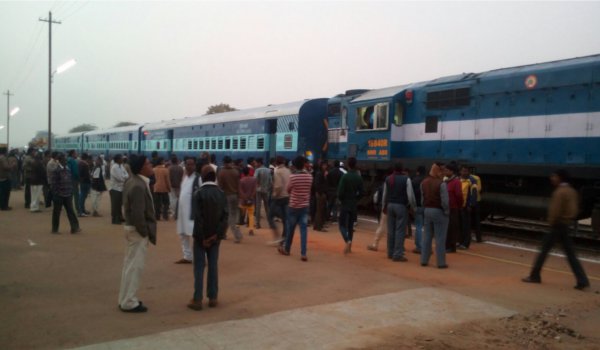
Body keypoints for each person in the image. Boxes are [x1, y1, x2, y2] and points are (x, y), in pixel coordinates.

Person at [522, 169, 590, 290]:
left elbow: (554, 211)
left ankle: (535, 276)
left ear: (560, 178)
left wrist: (551, 222)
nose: (551, 178)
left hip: (557, 226)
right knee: (571, 255)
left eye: (554, 176)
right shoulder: (572, 191)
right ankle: (582, 280)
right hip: (565, 225)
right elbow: (574, 210)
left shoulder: (560, 192)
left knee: (543, 251)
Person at [118, 154, 157, 313]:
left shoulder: (133, 181)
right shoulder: (138, 186)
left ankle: (124, 299)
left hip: (132, 230)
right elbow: (137, 214)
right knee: (135, 267)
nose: (151, 166)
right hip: (137, 231)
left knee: (129, 266)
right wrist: (145, 232)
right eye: (148, 164)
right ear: (141, 167)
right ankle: (129, 302)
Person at [187, 165, 228, 311]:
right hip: (215, 238)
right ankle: (213, 297)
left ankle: (197, 299)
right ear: (214, 177)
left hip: (200, 239)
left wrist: (202, 238)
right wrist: (216, 235)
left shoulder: (198, 194)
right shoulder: (221, 194)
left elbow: (198, 219)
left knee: (199, 268)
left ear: (202, 178)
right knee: (213, 266)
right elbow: (225, 218)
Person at [278, 156, 312, 261]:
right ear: (303, 165)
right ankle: (303, 253)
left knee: (290, 229)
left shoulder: (292, 177)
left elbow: (288, 190)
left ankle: (287, 249)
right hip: (305, 206)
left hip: (293, 206)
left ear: (294, 165)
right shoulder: (310, 177)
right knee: (303, 230)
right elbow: (309, 190)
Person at [383, 162, 416, 261]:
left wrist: (383, 206)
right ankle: (397, 254)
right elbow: (410, 196)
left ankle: (390, 252)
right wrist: (413, 207)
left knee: (391, 230)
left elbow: (385, 194)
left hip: (390, 206)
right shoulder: (406, 179)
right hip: (401, 206)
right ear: (402, 169)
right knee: (400, 231)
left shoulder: (388, 179)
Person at [420, 163, 450, 268]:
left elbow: (422, 199)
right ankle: (441, 263)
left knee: (427, 237)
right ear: (438, 171)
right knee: (440, 239)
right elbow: (445, 202)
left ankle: (424, 260)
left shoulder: (424, 182)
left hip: (427, 210)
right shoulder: (441, 184)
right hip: (439, 212)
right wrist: (447, 212)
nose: (443, 173)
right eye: (441, 171)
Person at [175, 158, 200, 264]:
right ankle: (187, 256)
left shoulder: (198, 178)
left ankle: (199, 258)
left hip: (192, 213)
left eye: (191, 164)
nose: (189, 166)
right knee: (183, 234)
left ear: (195, 165)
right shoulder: (185, 177)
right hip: (182, 213)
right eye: (187, 164)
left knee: (196, 235)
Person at [337, 157, 364, 254]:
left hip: (345, 203)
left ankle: (347, 240)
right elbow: (362, 192)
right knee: (350, 226)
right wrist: (356, 199)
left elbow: (340, 192)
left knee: (341, 225)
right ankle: (350, 247)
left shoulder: (345, 177)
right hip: (353, 204)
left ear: (348, 165)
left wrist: (341, 199)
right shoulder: (358, 177)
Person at [50, 153, 80, 234]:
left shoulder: (67, 169)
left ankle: (75, 228)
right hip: (59, 195)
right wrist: (57, 193)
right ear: (60, 160)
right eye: (64, 159)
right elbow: (53, 184)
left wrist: (70, 192)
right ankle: (55, 229)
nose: (66, 161)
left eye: (66, 159)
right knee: (56, 212)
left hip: (68, 194)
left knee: (71, 212)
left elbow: (69, 180)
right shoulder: (56, 170)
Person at [217, 156, 242, 243]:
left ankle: (237, 235)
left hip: (226, 196)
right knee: (232, 215)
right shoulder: (235, 172)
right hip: (235, 196)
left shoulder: (222, 172)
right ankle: (223, 234)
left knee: (227, 216)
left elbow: (220, 187)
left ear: (224, 162)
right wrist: (239, 196)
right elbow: (239, 185)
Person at [268, 156, 291, 245]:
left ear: (276, 163)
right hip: (287, 196)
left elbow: (278, 186)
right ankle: (284, 238)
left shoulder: (277, 172)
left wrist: (274, 195)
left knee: (270, 216)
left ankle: (277, 237)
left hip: (279, 198)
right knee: (285, 219)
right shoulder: (288, 171)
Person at [457, 165, 478, 250]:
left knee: (466, 225)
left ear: (469, 172)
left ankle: (466, 243)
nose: (465, 173)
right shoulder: (458, 179)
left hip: (466, 206)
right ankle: (460, 241)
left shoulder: (472, 181)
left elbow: (474, 194)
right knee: (460, 225)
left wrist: (471, 205)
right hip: (459, 206)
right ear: (460, 171)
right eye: (463, 171)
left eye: (466, 171)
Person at [444, 162, 463, 253]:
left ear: (452, 171)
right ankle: (447, 245)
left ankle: (451, 246)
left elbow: (459, 195)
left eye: (447, 170)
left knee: (452, 227)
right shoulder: (447, 181)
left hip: (453, 208)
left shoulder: (456, 182)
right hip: (447, 208)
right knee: (447, 227)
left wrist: (459, 206)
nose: (445, 172)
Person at [110, 154, 129, 225]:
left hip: (121, 188)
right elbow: (119, 178)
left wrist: (124, 177)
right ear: (117, 160)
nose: (122, 159)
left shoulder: (121, 166)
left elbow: (127, 175)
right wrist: (124, 177)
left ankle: (120, 217)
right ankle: (115, 219)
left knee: (119, 204)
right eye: (121, 158)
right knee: (115, 205)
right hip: (115, 188)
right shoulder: (114, 167)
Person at [239, 166, 257, 236]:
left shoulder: (241, 180)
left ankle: (237, 230)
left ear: (243, 172)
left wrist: (244, 198)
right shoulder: (254, 179)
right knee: (251, 215)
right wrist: (251, 197)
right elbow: (254, 190)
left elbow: (240, 191)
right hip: (251, 201)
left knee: (240, 216)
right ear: (249, 172)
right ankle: (251, 230)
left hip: (243, 201)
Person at [254, 158, 271, 229]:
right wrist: (268, 188)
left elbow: (254, 179)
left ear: (259, 163)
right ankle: (270, 223)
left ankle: (257, 224)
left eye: (256, 163)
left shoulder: (257, 170)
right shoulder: (268, 170)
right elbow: (271, 181)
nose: (255, 164)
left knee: (258, 207)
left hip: (258, 190)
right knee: (267, 207)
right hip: (266, 190)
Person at [313, 161, 329, 232]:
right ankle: (319, 227)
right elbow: (317, 184)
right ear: (321, 166)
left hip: (321, 193)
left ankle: (316, 226)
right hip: (320, 194)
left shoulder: (321, 173)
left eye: (325, 165)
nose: (325, 167)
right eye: (324, 165)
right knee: (320, 210)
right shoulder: (320, 174)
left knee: (319, 210)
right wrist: (321, 192)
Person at [169, 155, 184, 219]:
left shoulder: (169, 168)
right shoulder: (180, 168)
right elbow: (182, 177)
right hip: (179, 185)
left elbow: (168, 177)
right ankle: (178, 213)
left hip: (172, 185)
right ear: (177, 161)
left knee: (172, 199)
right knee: (179, 199)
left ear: (171, 161)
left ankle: (173, 213)